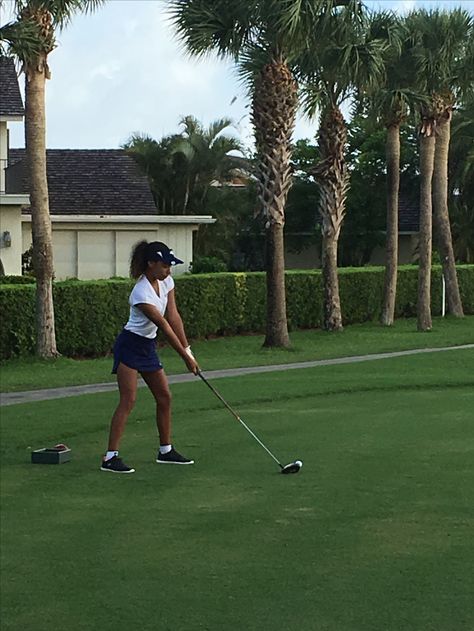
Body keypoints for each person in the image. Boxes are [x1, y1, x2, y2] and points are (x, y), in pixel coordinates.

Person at [101, 240, 199, 474]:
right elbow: (164, 326)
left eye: (170, 265)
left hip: (147, 346)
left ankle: (165, 451)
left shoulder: (167, 283)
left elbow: (174, 317)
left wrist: (188, 350)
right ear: (151, 263)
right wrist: (185, 359)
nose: (168, 270)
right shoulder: (141, 292)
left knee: (164, 396)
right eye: (165, 265)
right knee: (129, 399)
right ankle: (110, 457)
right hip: (130, 345)